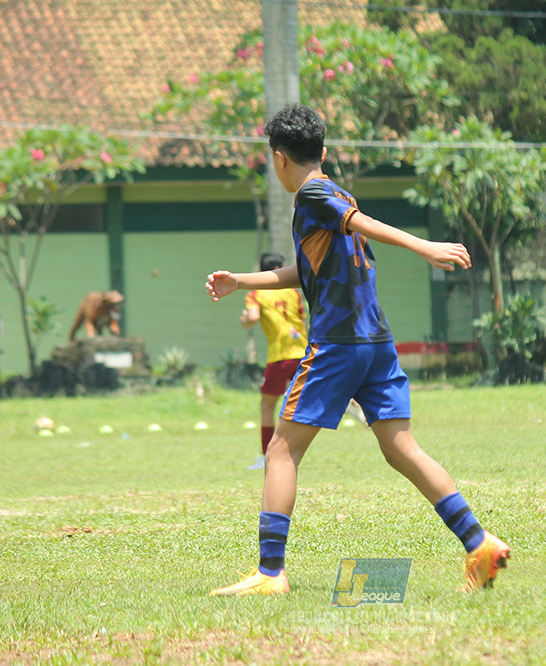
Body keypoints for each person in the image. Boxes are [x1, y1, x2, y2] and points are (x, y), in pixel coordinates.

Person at [206, 103, 509, 596]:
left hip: (338, 344)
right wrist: (242, 281)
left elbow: (362, 223)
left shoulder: (313, 193)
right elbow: (306, 273)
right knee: (399, 447)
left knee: (281, 450)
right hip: (376, 342)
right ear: (321, 152)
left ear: (279, 158)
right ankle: (479, 543)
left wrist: (425, 246)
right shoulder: (332, 192)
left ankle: (269, 573)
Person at [240, 251, 308, 462]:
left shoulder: (256, 292)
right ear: (280, 267)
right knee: (301, 402)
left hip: (280, 356)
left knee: (268, 405)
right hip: (303, 352)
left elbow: (252, 318)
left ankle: (265, 456)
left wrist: (245, 321)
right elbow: (303, 320)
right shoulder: (294, 292)